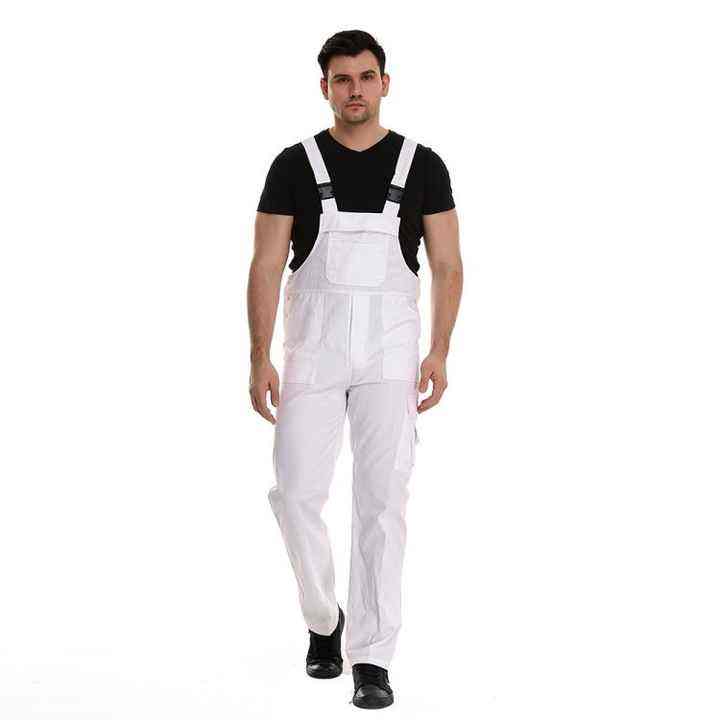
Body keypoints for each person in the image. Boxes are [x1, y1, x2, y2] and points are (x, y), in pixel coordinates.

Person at [247, 29, 463, 710]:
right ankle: (324, 619)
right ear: (325, 88)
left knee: (382, 502)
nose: (356, 90)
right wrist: (258, 355)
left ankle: (372, 657)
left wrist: (440, 349)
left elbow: (448, 263)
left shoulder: (423, 166)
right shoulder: (293, 164)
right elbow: (265, 264)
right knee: (296, 492)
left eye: (367, 77)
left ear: (385, 83)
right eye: (342, 79)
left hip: (391, 355)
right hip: (311, 352)